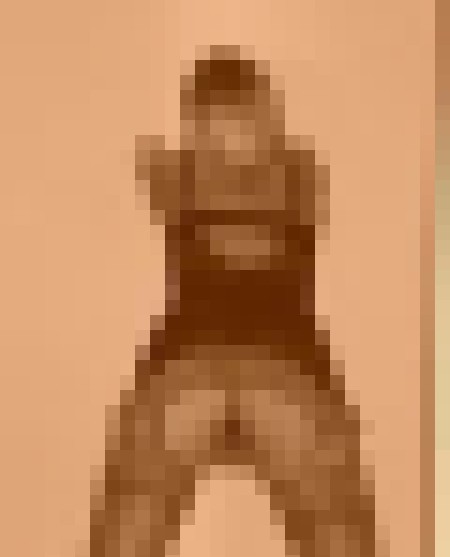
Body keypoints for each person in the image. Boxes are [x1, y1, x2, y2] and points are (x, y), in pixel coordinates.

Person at [90, 45, 379, 557]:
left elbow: (163, 170)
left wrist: (198, 163)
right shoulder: (290, 171)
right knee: (337, 528)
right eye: (214, 125)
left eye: (238, 119)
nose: (228, 141)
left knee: (132, 518)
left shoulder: (276, 171)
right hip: (258, 362)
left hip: (226, 362)